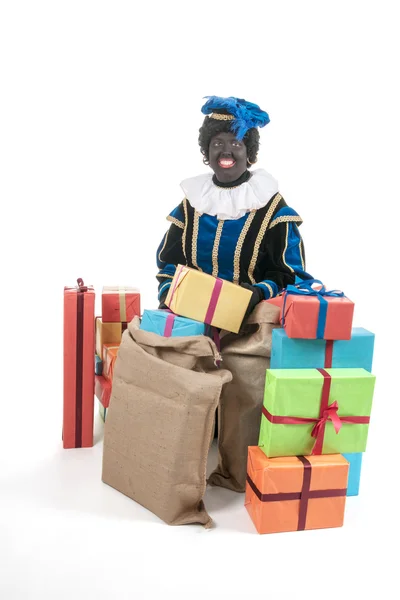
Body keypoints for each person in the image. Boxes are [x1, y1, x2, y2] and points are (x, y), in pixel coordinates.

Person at [156, 95, 312, 319]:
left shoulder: (272, 208)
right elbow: (170, 264)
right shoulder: (191, 205)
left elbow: (289, 275)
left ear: (249, 153)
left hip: (252, 323)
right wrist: (169, 296)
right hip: (190, 318)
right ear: (206, 152)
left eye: (236, 143)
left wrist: (257, 293)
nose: (226, 151)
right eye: (217, 143)